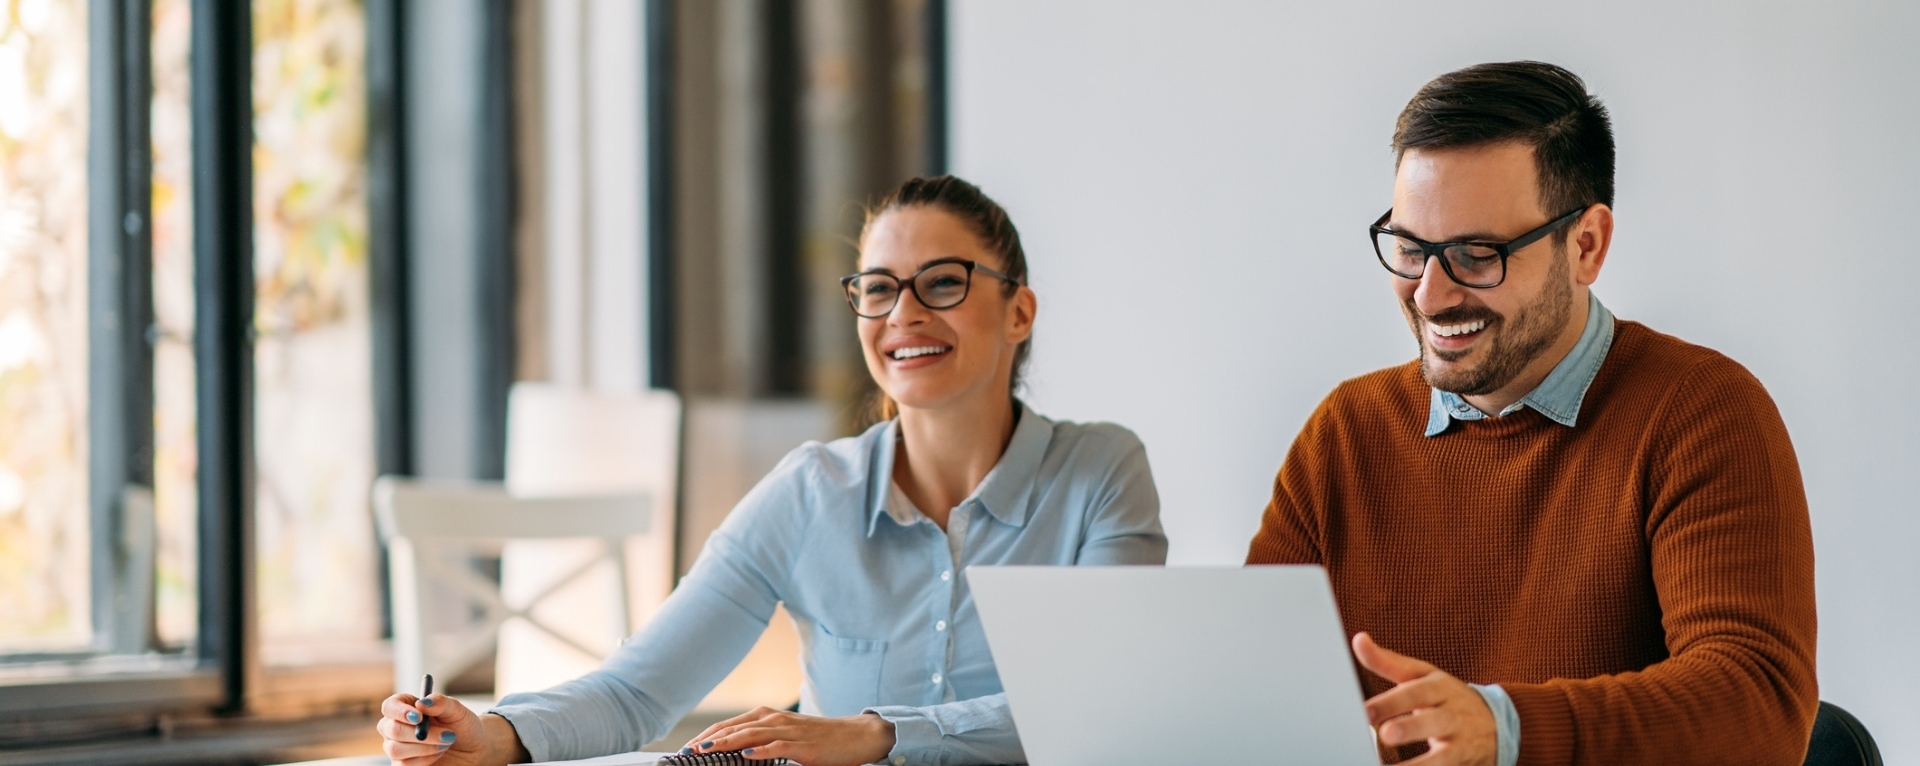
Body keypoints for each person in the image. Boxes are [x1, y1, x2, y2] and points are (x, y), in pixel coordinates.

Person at [374, 175, 1166, 766]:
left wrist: (871, 735)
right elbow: (638, 690)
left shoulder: (1100, 472)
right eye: (879, 289)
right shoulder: (809, 491)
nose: (903, 315)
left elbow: (1092, 709)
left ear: (1018, 312)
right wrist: (494, 732)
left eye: (944, 283)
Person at [1247, 62, 1817, 765]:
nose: (1429, 295)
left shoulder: (1701, 412)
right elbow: (1250, 692)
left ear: (1586, 246)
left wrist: (1507, 731)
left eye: (1475, 254)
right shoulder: (1346, 432)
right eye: (1410, 248)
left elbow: (1758, 707)